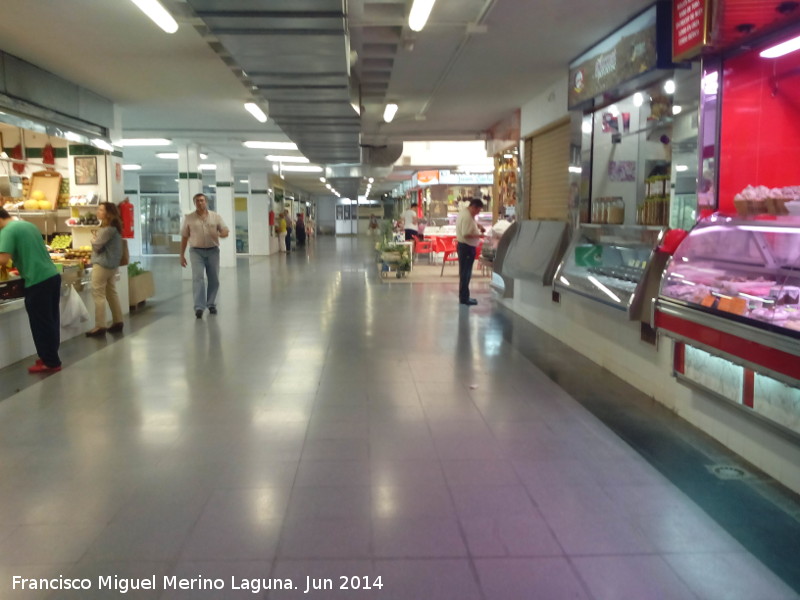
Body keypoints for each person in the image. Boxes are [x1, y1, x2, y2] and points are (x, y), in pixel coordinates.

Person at [0, 207, 62, 373]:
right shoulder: (26, 225)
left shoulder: (7, 231)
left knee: (40, 323)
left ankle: (51, 362)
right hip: (52, 275)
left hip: (37, 280)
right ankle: (49, 356)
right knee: (51, 320)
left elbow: (3, 259)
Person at [179, 193, 229, 319]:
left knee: (214, 278)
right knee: (198, 278)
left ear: (206, 202)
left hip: (213, 251)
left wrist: (221, 234)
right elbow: (184, 237)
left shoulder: (215, 216)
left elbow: (225, 230)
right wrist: (181, 255)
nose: (199, 203)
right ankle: (199, 307)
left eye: (202, 200)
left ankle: (211, 304)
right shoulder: (189, 218)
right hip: (196, 252)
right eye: (197, 201)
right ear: (194, 203)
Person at [85, 202, 124, 337]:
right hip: (112, 266)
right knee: (111, 293)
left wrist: (93, 239)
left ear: (108, 213)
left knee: (98, 294)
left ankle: (100, 325)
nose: (98, 211)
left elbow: (97, 245)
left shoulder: (107, 229)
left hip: (102, 265)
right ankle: (118, 320)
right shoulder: (115, 229)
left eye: (101, 210)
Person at [455, 198, 485, 306]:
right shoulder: (467, 216)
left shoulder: (465, 213)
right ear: (473, 207)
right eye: (478, 210)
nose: (478, 213)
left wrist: (478, 225)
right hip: (466, 248)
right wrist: (480, 235)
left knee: (465, 273)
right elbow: (466, 234)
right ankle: (464, 298)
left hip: (465, 247)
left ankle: (464, 296)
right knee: (466, 273)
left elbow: (470, 225)